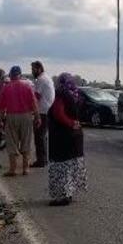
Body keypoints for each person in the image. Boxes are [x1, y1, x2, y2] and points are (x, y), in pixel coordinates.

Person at [47, 73, 88, 206]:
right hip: (75, 136)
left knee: (61, 166)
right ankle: (69, 193)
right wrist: (75, 123)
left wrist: (70, 123)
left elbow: (58, 113)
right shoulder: (77, 94)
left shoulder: (61, 94)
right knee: (71, 165)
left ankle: (63, 196)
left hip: (62, 136)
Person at [0, 66, 40, 176]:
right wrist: (37, 117)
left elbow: (1, 107)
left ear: (11, 75)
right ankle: (25, 168)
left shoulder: (6, 88)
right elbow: (34, 104)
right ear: (20, 75)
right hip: (26, 116)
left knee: (12, 143)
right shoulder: (27, 86)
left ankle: (13, 169)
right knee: (26, 141)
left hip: (11, 116)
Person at [30, 60, 55, 168]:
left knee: (39, 137)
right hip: (47, 110)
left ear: (39, 69)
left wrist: (30, 110)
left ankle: (41, 160)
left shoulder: (40, 79)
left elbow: (36, 97)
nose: (32, 71)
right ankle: (43, 159)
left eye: (33, 69)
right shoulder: (47, 78)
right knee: (42, 137)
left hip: (42, 112)